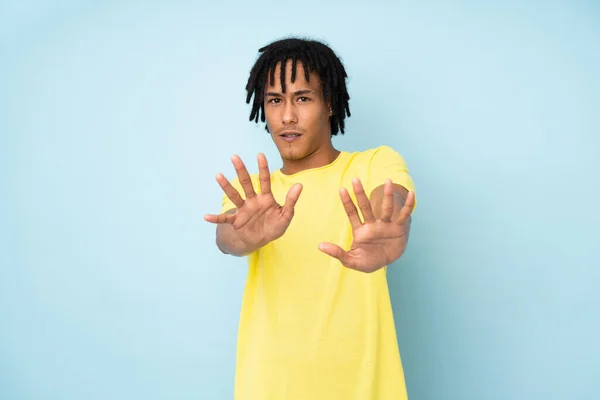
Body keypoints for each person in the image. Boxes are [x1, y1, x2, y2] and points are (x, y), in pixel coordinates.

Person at [204, 37, 417, 400]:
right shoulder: (256, 192)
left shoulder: (372, 164)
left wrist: (392, 223)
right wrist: (245, 236)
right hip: (270, 388)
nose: (287, 116)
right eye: (275, 100)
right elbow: (228, 239)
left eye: (303, 98)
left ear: (330, 103)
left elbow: (393, 199)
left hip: (364, 390)